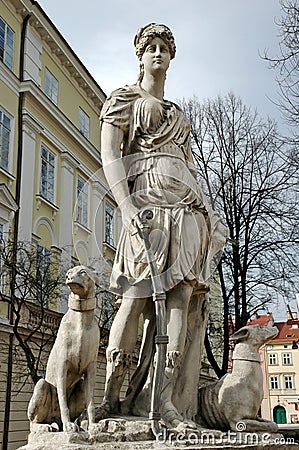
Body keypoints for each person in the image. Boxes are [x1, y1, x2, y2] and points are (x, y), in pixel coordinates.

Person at [98, 23, 227, 428]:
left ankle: (162, 400)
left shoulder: (179, 116)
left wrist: (211, 216)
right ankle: (109, 397)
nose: (157, 53)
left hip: (187, 212)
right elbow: (110, 155)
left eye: (163, 49)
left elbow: (191, 168)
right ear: (140, 56)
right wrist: (124, 205)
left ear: (171, 58)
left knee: (181, 300)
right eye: (149, 48)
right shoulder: (123, 99)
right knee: (135, 298)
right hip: (147, 206)